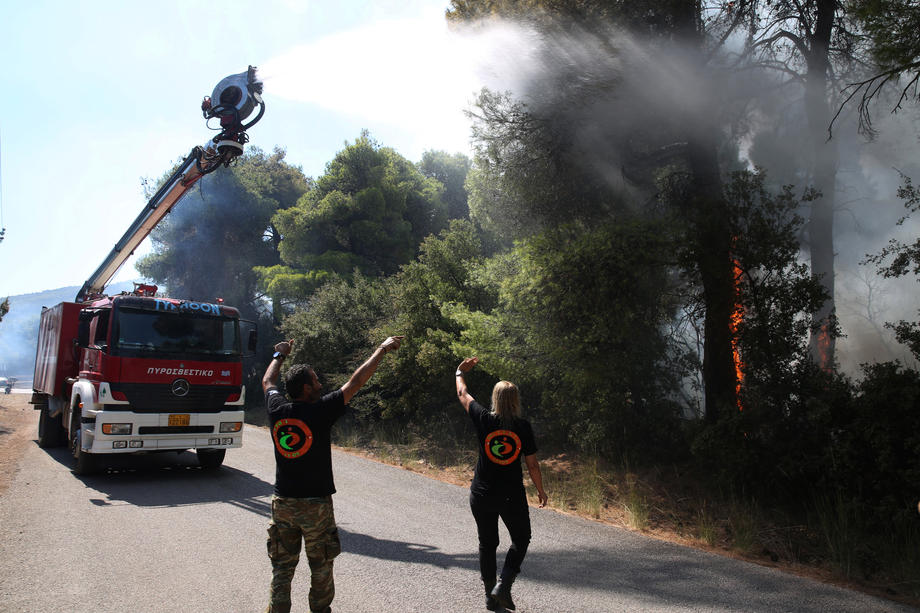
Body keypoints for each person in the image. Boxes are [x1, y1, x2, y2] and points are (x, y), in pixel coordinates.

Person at [262, 335, 404, 613]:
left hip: (284, 504)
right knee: (321, 566)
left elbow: (268, 382)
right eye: (315, 381)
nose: (320, 384)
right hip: (316, 506)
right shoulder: (321, 411)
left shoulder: (276, 409)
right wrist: (382, 349)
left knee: (282, 568)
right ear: (306, 388)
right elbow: (356, 382)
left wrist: (279, 355)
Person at [455, 357, 548, 612]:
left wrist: (459, 371)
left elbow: (462, 392)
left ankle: (490, 596)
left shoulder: (484, 418)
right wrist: (540, 490)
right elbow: (532, 465)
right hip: (511, 495)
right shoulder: (523, 427)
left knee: (487, 543)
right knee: (522, 538)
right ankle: (503, 585)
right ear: (516, 400)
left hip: (482, 493)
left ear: (495, 399)